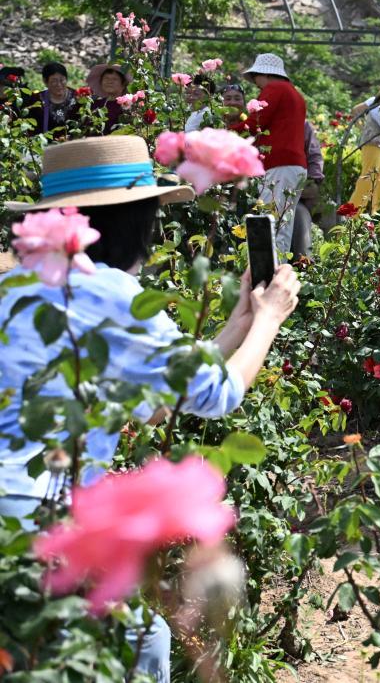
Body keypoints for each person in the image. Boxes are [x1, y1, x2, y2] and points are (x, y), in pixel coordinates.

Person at [0, 135, 301, 681]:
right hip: (31, 520)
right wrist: (270, 319)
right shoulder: (116, 295)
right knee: (137, 644)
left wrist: (237, 325)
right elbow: (218, 395)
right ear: (138, 222)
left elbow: (154, 403)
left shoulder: (14, 281)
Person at [242, 53, 308, 256]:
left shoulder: (274, 89)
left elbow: (255, 124)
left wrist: (225, 129)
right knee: (282, 224)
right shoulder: (294, 93)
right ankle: (280, 271)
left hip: (280, 164)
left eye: (255, 78)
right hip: (295, 165)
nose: (256, 85)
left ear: (265, 74)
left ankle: (268, 275)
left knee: (269, 221)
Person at [348, 84, 380, 214]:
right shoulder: (374, 102)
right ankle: (352, 216)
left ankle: (377, 219)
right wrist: (362, 128)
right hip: (372, 145)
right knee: (367, 181)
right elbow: (355, 110)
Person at [290, 119, 325, 259]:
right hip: (273, 189)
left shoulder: (302, 125)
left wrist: (313, 181)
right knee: (300, 214)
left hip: (300, 187)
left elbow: (314, 156)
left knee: (331, 211)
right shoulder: (261, 123)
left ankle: (336, 263)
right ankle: (303, 262)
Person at [27, 62, 79, 136]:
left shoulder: (78, 97)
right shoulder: (37, 99)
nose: (59, 84)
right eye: (54, 81)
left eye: (62, 80)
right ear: (45, 81)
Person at [86, 63, 131, 134]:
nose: (109, 82)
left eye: (114, 79)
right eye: (106, 78)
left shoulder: (127, 106)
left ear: (123, 84)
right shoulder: (94, 105)